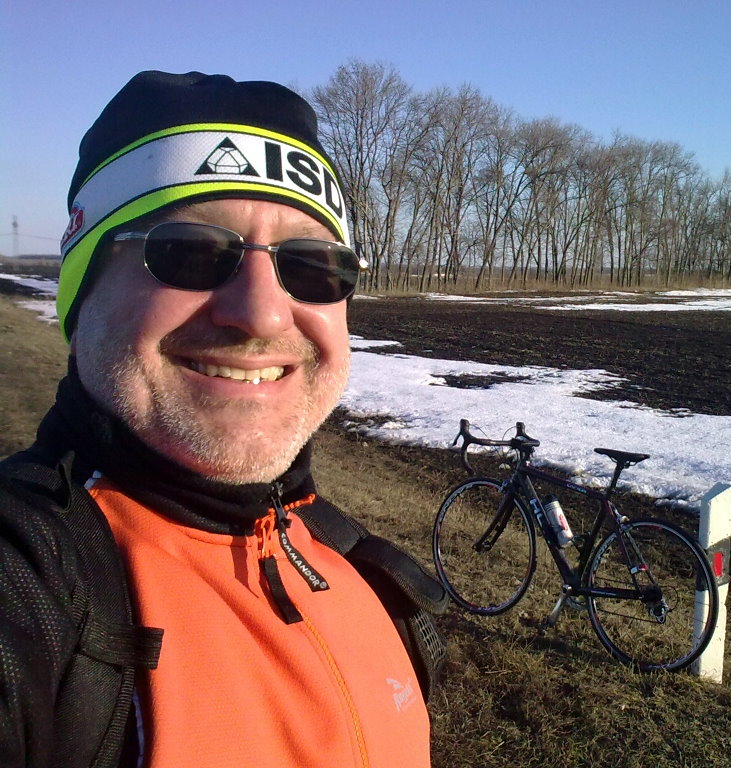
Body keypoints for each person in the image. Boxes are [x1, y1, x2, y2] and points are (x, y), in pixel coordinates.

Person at [0, 71, 446, 768]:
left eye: (312, 266)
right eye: (191, 251)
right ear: (83, 295)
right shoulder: (28, 580)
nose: (263, 314)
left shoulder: (367, 576)